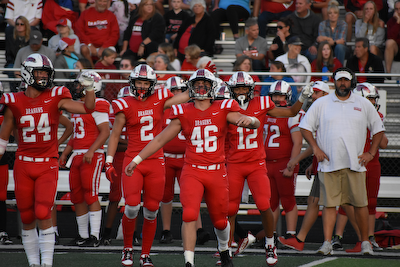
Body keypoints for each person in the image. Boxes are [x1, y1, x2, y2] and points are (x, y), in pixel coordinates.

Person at [121, 68, 261, 267]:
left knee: (220, 221)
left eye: (205, 85)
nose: (201, 88)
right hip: (192, 170)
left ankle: (224, 251)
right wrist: (136, 160)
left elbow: (251, 123)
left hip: (216, 171)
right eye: (197, 85)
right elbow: (160, 139)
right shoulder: (183, 111)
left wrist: (252, 120)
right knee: (188, 214)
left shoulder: (224, 107)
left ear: (213, 88)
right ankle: (189, 261)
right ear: (191, 88)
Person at [0, 53, 96, 267]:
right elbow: (3, 140)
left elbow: (88, 108)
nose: (43, 76)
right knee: (26, 217)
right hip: (23, 163)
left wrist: (90, 88)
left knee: (43, 211)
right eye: (39, 72)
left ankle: (47, 263)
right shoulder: (14, 101)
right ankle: (34, 262)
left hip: (47, 163)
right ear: (27, 73)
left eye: (46, 72)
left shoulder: (56, 96)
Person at [104, 64, 190, 267]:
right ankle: (127, 249)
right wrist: (108, 161)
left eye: (145, 83)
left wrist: (200, 78)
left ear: (153, 84)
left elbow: (186, 96)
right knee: (132, 207)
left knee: (151, 209)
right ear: (132, 84)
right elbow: (114, 135)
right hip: (133, 160)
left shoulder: (160, 99)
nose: (142, 86)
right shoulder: (124, 104)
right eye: (139, 82)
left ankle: (145, 254)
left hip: (156, 161)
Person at [225, 72, 311, 266]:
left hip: (256, 163)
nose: (240, 92)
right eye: (237, 88)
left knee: (264, 205)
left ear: (251, 90)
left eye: (243, 88)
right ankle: (226, 247)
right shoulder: (226, 106)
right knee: (230, 209)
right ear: (231, 90)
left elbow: (290, 112)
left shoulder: (262, 103)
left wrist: (303, 99)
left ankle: (270, 244)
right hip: (234, 164)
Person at [299, 67, 385, 256]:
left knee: (360, 205)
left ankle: (365, 243)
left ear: (351, 82)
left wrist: (371, 153)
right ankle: (327, 243)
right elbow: (305, 127)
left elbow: (378, 129)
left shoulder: (363, 103)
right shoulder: (322, 102)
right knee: (329, 205)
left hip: (356, 164)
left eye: (346, 80)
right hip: (328, 163)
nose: (342, 83)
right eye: (339, 80)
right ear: (334, 82)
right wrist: (315, 148)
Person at [331, 82, 388, 253]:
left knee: (370, 202)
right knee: (346, 202)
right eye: (369, 98)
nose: (372, 102)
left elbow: (384, 144)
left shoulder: (376, 115)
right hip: (353, 162)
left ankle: (369, 238)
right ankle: (338, 236)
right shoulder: (348, 114)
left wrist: (376, 122)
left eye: (373, 99)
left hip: (372, 163)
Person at [277, 81, 331, 251]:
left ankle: (362, 239)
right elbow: (318, 143)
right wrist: (311, 163)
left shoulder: (328, 112)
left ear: (325, 95)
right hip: (324, 162)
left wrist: (295, 160)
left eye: (316, 93)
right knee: (314, 201)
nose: (312, 96)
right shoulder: (320, 111)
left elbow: (318, 143)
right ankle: (300, 239)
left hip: (336, 163)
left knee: (347, 205)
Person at [59, 71, 110, 247]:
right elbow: (75, 134)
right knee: (77, 195)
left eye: (80, 84)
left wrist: (91, 150)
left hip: (92, 155)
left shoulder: (98, 104)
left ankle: (94, 236)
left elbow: (105, 132)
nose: (77, 87)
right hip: (78, 155)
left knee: (90, 194)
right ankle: (82, 235)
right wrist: (65, 152)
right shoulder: (77, 106)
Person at [264, 80, 304, 247]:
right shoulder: (266, 113)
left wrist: (291, 164)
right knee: (271, 202)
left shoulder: (293, 115)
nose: (277, 98)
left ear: (287, 97)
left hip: (284, 162)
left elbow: (298, 142)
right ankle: (271, 237)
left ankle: (291, 235)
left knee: (288, 200)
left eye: (280, 95)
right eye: (275, 95)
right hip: (267, 163)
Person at [75, 0, 119, 67]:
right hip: (89, 45)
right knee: (83, 49)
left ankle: (105, 72)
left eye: (104, 2)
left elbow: (115, 34)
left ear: (107, 3)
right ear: (95, 1)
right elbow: (79, 31)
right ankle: (92, 68)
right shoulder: (86, 13)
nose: (102, 3)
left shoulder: (111, 15)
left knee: (111, 53)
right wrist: (89, 44)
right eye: (100, 1)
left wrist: (104, 47)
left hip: (105, 46)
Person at [0, 84, 13, 245]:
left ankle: (2, 230)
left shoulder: (6, 111)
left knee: (1, 196)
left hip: (1, 158)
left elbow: (11, 132)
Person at [317, 0, 348, 65]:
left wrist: (330, 40)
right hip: (327, 47)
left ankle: (339, 68)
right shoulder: (322, 24)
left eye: (335, 13)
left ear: (338, 14)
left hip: (339, 48)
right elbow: (321, 42)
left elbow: (342, 41)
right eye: (330, 13)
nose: (332, 15)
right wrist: (329, 39)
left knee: (339, 47)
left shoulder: (343, 24)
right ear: (328, 15)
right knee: (323, 47)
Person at [4, 16, 30, 92]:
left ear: (26, 26)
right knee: (11, 68)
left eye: (22, 24)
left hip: (27, 62)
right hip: (13, 62)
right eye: (17, 24)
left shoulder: (30, 39)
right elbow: (8, 55)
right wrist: (17, 64)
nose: (19, 26)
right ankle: (14, 92)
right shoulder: (10, 38)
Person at [384, 0, 400, 76]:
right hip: (396, 50)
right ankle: (388, 74)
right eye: (396, 9)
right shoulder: (391, 21)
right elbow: (390, 36)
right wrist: (398, 22)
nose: (399, 11)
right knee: (389, 42)